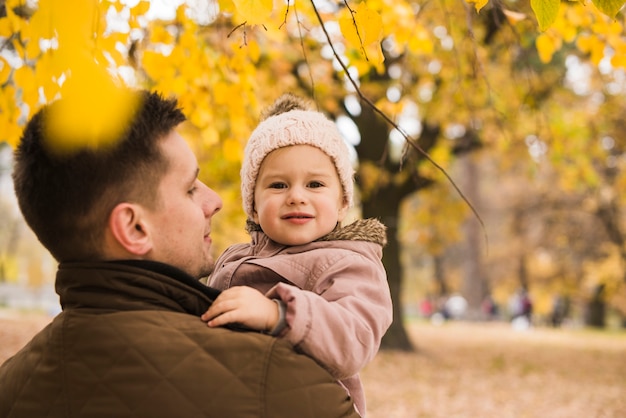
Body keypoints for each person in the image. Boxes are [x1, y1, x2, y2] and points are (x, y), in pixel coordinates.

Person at [0, 89, 360, 418]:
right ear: (134, 228)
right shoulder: (279, 381)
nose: (215, 202)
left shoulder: (10, 387)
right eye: (190, 189)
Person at [202, 94, 393, 417]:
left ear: (343, 203)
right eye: (278, 185)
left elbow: (353, 340)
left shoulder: (349, 262)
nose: (296, 197)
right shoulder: (233, 258)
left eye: (315, 184)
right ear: (253, 204)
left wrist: (278, 313)